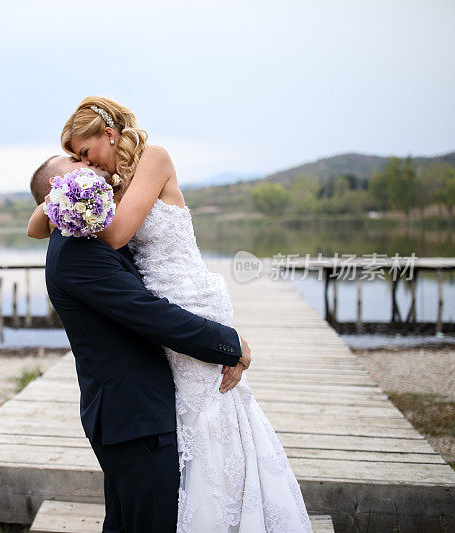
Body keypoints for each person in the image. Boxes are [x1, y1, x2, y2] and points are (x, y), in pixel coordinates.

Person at [28, 96, 312, 532]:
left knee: (215, 417)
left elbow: (115, 240)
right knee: (191, 430)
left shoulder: (151, 161)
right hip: (158, 332)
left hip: (188, 300)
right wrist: (60, 203)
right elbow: (111, 240)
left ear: (109, 133)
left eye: (86, 154)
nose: (87, 167)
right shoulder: (89, 215)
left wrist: (225, 341)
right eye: (78, 164)